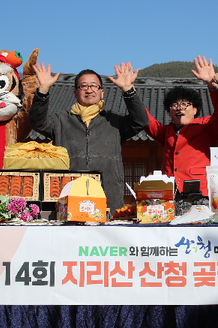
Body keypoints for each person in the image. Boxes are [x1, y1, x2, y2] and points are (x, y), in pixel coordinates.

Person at [30, 62, 148, 215]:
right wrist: (43, 90)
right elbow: (37, 122)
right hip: (70, 194)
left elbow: (141, 121)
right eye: (83, 86)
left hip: (108, 195)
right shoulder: (61, 120)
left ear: (101, 92)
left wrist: (128, 90)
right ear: (75, 93)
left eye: (94, 86)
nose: (89, 89)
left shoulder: (114, 121)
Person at [144, 56, 218, 198]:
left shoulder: (206, 127)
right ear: (170, 112)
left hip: (199, 192)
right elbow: (145, 120)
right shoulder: (166, 132)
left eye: (185, 104)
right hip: (169, 192)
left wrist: (211, 84)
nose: (179, 108)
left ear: (195, 110)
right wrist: (129, 91)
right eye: (175, 105)